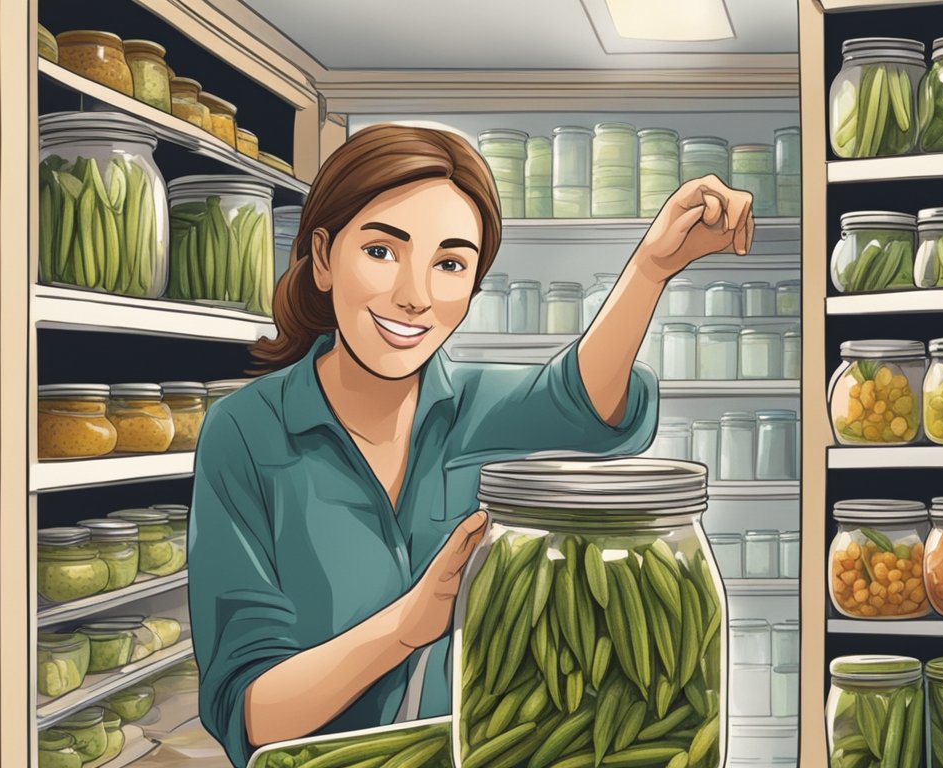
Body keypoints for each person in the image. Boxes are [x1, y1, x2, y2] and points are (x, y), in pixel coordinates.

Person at [189, 124, 754, 766]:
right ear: (322, 256)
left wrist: (653, 266)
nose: (415, 295)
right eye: (381, 251)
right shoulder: (244, 433)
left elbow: (585, 402)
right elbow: (250, 710)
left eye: (450, 264)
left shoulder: (477, 407)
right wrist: (408, 625)